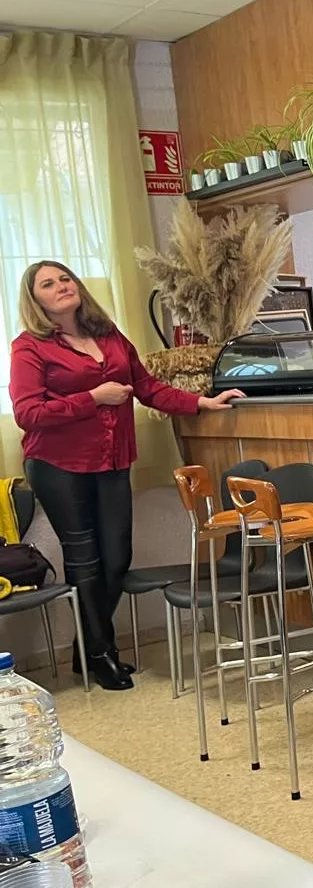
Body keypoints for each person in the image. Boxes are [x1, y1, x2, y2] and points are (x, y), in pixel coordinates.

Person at [9, 260, 241, 691]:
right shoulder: (30, 347)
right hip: (59, 466)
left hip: (113, 461)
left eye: (65, 278)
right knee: (85, 561)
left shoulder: (109, 334)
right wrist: (92, 398)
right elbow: (28, 414)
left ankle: (87, 647)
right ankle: (101, 653)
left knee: (116, 557)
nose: (61, 286)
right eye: (48, 283)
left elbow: (146, 386)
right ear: (35, 298)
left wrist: (200, 402)